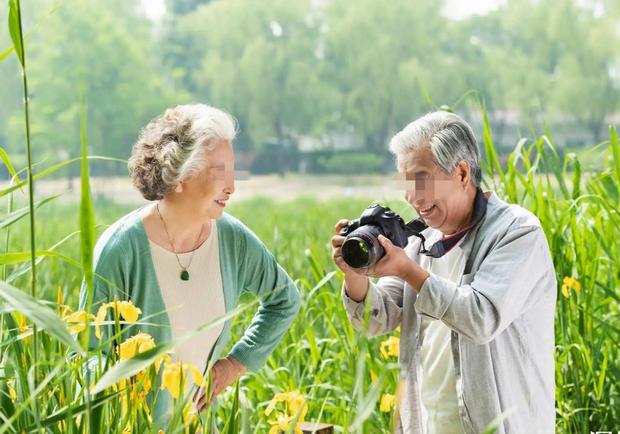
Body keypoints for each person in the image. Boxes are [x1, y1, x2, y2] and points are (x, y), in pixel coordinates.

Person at [331, 111, 556, 434]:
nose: (411, 197)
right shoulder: (422, 241)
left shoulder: (517, 233)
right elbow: (376, 319)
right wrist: (354, 272)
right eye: (405, 183)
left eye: (420, 179)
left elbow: (480, 317)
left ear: (462, 172)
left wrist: (409, 271)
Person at [79, 103, 301, 424]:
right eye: (219, 172)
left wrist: (235, 364)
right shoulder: (119, 250)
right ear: (179, 176)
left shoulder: (233, 239)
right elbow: (86, 356)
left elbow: (285, 300)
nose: (232, 186)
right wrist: (125, 396)